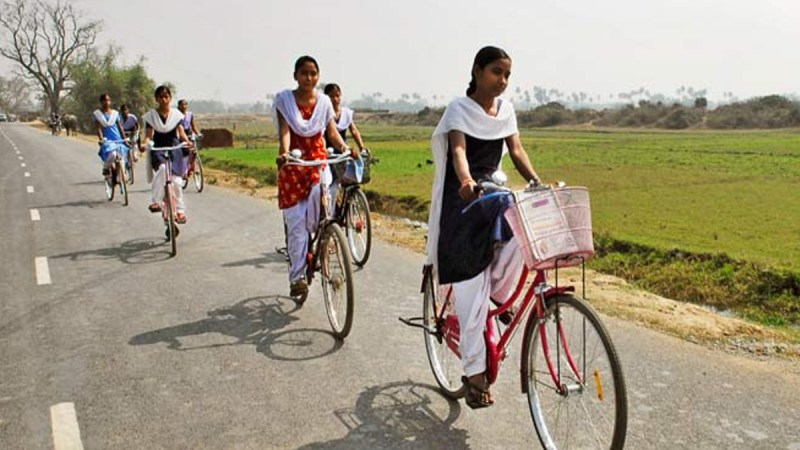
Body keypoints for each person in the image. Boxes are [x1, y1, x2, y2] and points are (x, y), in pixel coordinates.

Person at [426, 46, 542, 409]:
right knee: (471, 282)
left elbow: (517, 151)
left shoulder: (506, 111)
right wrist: (465, 180)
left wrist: (537, 181)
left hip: (493, 192)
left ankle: (497, 295)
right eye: (496, 72)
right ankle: (475, 376)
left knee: (522, 225)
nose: (502, 81)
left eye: (507, 75)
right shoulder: (459, 110)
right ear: (477, 71)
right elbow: (459, 152)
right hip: (464, 199)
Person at [272, 55, 358, 300]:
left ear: (318, 76)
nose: (309, 78)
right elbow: (285, 131)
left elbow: (331, 132)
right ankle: (297, 278)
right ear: (295, 76)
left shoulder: (324, 102)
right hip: (294, 164)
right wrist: (284, 153)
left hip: (318, 162)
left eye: (313, 73)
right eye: (304, 73)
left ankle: (324, 240)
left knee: (323, 206)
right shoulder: (285, 101)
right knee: (297, 226)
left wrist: (345, 148)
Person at [139, 85, 193, 224]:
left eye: (166, 96)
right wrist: (145, 144)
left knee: (177, 182)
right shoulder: (151, 116)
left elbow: (181, 133)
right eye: (161, 97)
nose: (164, 99)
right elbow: (149, 136)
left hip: (174, 147)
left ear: (170, 98)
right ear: (156, 99)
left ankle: (180, 211)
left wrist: (187, 142)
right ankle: (156, 201)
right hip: (159, 147)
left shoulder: (176, 115)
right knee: (162, 169)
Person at [323, 83, 367, 209]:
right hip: (329, 152)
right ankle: (330, 211)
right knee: (331, 184)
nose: (335, 99)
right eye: (331, 96)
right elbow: (324, 135)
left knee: (349, 175)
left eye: (337, 96)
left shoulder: (346, 113)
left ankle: (345, 205)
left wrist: (362, 147)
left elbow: (354, 131)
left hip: (343, 151)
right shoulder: (324, 114)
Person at [94, 94, 129, 177]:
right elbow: (99, 129)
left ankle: (118, 176)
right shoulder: (98, 114)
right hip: (108, 141)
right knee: (113, 154)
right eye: (105, 100)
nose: (107, 102)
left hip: (118, 139)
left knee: (122, 157)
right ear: (101, 102)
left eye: (108, 100)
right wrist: (101, 139)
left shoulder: (115, 114)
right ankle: (106, 167)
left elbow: (120, 127)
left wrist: (125, 140)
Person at [177, 99, 201, 178]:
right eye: (182, 105)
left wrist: (198, 133)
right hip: (180, 133)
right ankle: (183, 170)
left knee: (194, 151)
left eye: (185, 104)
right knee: (184, 152)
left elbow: (193, 125)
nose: (184, 106)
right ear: (179, 106)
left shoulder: (190, 114)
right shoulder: (176, 115)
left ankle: (192, 167)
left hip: (188, 133)